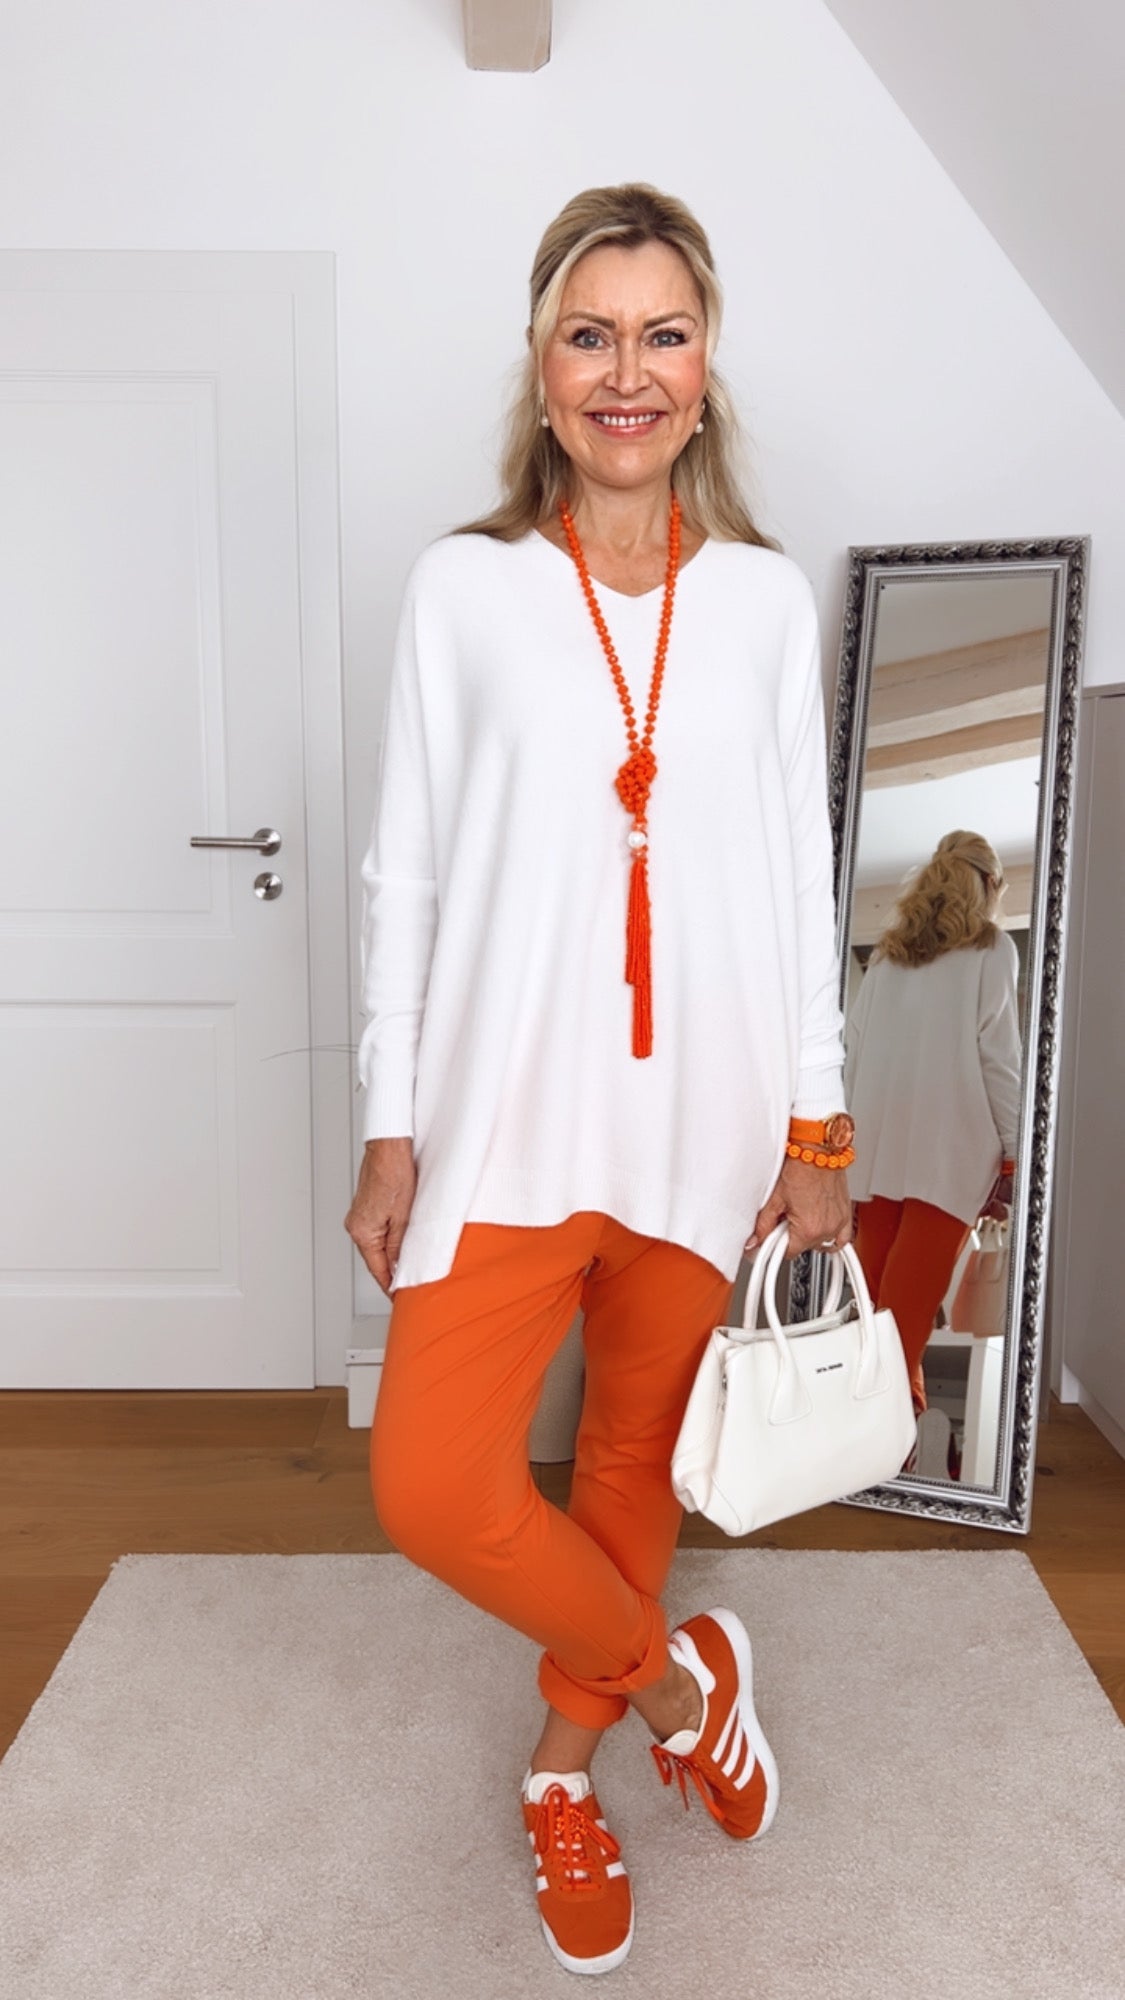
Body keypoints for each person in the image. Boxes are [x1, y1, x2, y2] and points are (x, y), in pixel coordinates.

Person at [345, 183, 853, 1977]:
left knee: (630, 1458)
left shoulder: (766, 604)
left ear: (705, 369)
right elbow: (407, 874)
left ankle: (564, 1778)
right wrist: (390, 1124)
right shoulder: (463, 589)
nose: (626, 373)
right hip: (505, 1116)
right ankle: (677, 1687)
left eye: (662, 335)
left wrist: (816, 1123)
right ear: (541, 366)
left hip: (707, 1121)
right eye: (590, 335)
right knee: (433, 1482)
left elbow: (800, 876)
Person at [844, 830, 1021, 1460]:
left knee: (878, 1310)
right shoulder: (991, 949)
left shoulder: (888, 958)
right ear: (989, 885)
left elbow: (853, 1055)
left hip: (877, 1152)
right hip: (948, 1153)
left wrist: (844, 1148)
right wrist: (1015, 1149)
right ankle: (886, 1449)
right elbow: (998, 1056)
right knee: (905, 1313)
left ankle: (879, 1445)